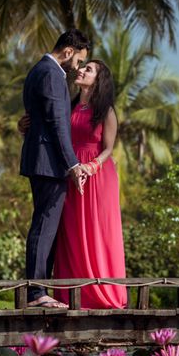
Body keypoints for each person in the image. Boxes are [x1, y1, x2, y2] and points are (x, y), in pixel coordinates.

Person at [20, 30, 91, 308]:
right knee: (44, 224)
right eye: (79, 60)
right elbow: (57, 123)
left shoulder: (38, 69)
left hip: (43, 159)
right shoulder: (51, 73)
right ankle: (36, 293)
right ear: (69, 51)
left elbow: (35, 118)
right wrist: (72, 163)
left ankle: (41, 289)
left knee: (46, 224)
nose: (77, 67)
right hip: (49, 163)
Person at [51, 60, 128, 309]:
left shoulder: (105, 111)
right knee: (70, 232)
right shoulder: (69, 106)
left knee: (97, 230)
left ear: (98, 79)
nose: (81, 70)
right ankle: (71, 294)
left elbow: (108, 148)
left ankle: (104, 293)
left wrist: (90, 167)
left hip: (98, 175)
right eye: (83, 67)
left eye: (89, 69)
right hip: (70, 172)